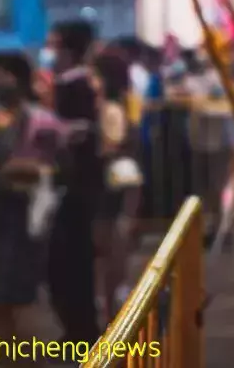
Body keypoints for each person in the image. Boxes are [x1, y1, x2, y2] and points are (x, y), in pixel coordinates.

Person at [0, 52, 67, 349]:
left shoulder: (39, 120)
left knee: (21, 309)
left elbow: (49, 168)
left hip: (17, 223)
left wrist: (10, 170)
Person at [44, 19, 102, 344]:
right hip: (74, 185)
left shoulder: (75, 85)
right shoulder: (72, 82)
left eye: (54, 43)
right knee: (68, 262)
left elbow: (80, 131)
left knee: (70, 261)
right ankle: (78, 331)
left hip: (75, 186)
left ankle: (82, 333)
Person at [91, 50, 143, 319]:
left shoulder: (111, 109)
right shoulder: (124, 103)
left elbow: (111, 145)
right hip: (119, 186)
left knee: (110, 255)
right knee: (111, 255)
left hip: (113, 187)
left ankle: (114, 317)